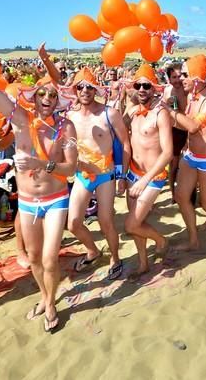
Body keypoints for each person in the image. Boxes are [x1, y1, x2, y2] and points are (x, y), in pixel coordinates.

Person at [0, 12, 77, 332]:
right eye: (41, 94)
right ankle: (44, 295)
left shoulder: (65, 127)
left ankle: (52, 304)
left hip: (55, 198)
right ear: (33, 98)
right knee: (34, 258)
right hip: (27, 202)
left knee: (51, 259)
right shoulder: (20, 121)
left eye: (52, 95)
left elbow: (69, 168)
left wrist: (43, 165)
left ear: (57, 100)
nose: (46, 98)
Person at [62, 66, 130, 280]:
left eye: (89, 87)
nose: (84, 91)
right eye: (80, 87)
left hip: (106, 175)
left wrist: (122, 176)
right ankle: (93, 250)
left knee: (106, 221)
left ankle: (115, 258)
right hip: (83, 175)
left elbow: (126, 144)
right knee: (73, 223)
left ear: (95, 91)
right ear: (75, 90)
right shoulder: (69, 116)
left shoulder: (109, 113)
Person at [167, 54, 206, 250]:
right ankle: (193, 241)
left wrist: (170, 111)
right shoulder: (192, 95)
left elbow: (193, 126)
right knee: (182, 196)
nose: (181, 79)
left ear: (197, 78)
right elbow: (185, 125)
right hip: (191, 154)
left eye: (185, 75)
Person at [124, 64, 173, 279]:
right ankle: (143, 263)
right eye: (138, 85)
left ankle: (161, 240)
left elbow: (168, 153)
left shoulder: (160, 114)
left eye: (146, 85)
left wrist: (145, 180)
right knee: (137, 224)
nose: (142, 89)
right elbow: (118, 131)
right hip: (132, 173)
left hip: (152, 177)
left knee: (131, 224)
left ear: (154, 89)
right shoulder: (133, 112)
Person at [162, 63, 188, 193]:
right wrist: (167, 105)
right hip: (173, 132)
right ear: (169, 78)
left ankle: (188, 193)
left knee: (187, 167)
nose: (177, 80)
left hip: (189, 133)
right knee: (173, 165)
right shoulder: (167, 91)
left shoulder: (188, 90)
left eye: (180, 76)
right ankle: (173, 193)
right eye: (174, 77)